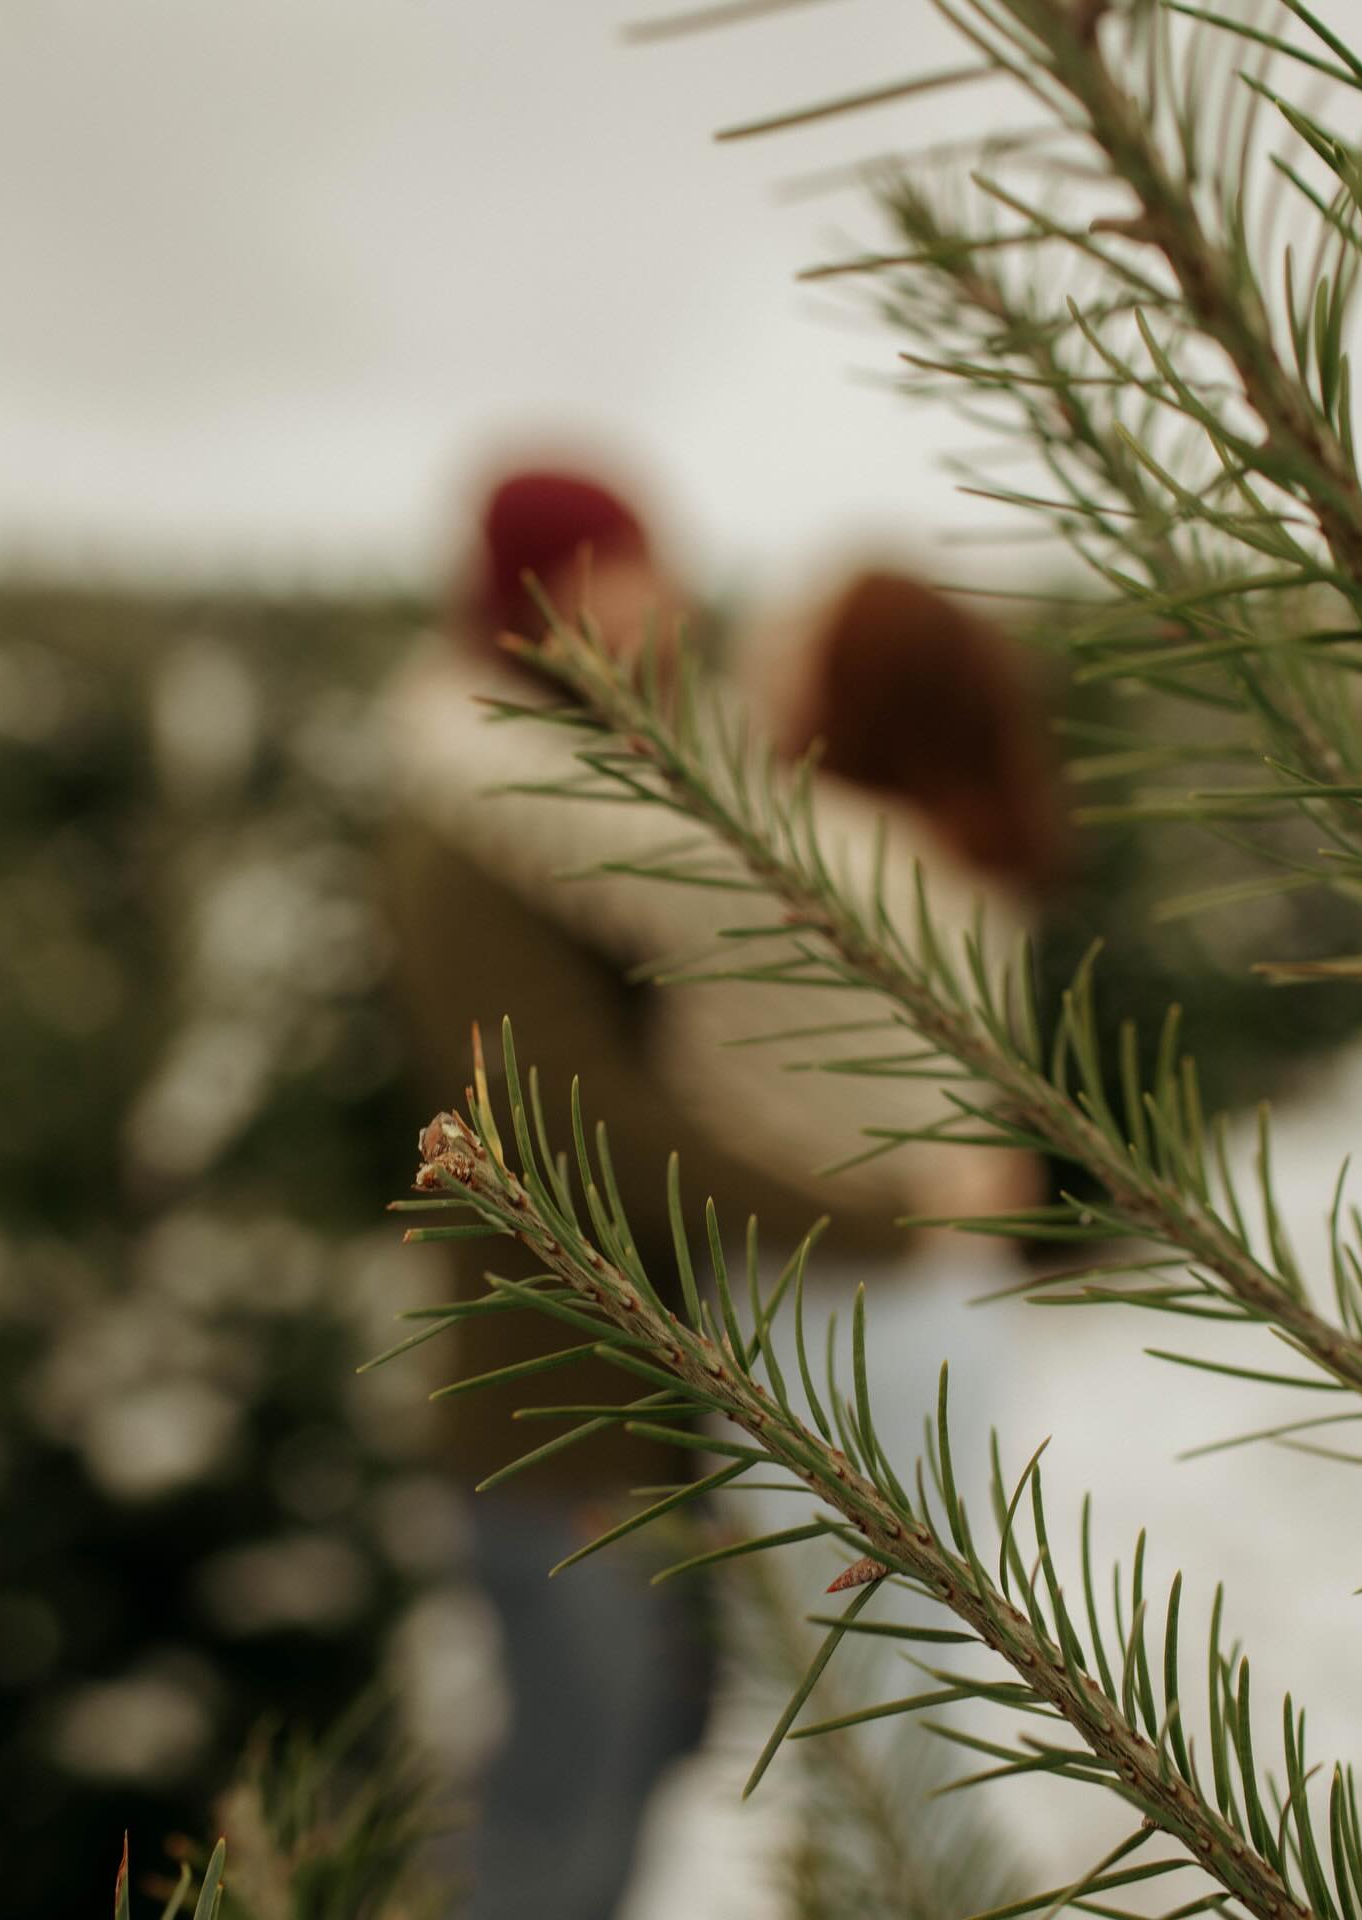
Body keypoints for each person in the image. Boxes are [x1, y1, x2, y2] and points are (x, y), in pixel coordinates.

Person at [380, 461, 1065, 1917]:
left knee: (871, 1728)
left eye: (791, 632)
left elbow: (565, 820)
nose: (717, 623)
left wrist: (436, 711)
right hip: (846, 1316)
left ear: (854, 689)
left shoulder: (808, 852)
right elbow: (573, 1109)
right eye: (641, 569)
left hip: (844, 1314)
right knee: (876, 1707)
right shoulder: (931, 841)